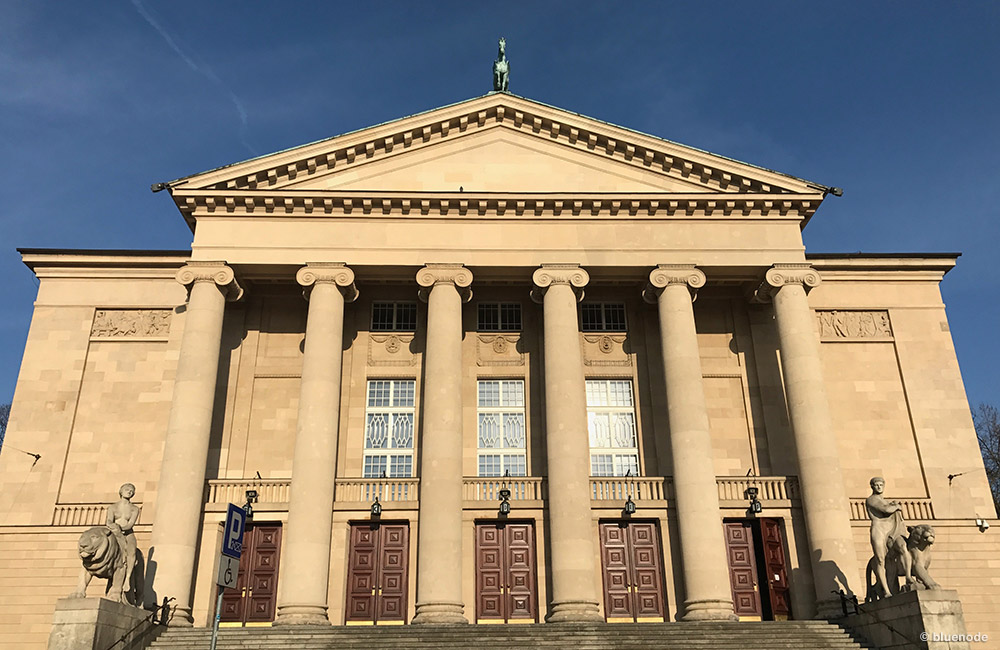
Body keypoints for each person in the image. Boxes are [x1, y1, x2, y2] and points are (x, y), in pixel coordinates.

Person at [865, 476, 911, 598]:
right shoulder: (871, 499)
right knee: (881, 560)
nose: (879, 487)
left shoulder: (886, 501)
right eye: (876, 485)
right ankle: (886, 591)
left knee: (903, 547)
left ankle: (908, 576)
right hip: (879, 530)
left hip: (891, 531)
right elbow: (886, 509)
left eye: (881, 485)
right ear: (872, 487)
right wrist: (896, 506)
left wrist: (894, 506)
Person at [106, 483, 140, 603]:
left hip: (128, 533)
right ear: (121, 491)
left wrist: (122, 529)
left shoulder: (135, 509)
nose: (129, 491)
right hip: (115, 532)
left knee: (131, 551)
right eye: (127, 489)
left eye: (132, 490)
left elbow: (130, 524)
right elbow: (109, 521)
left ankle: (128, 578)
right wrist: (115, 528)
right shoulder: (113, 507)